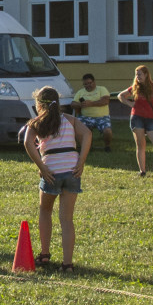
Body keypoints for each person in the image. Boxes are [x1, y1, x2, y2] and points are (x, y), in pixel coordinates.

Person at [22, 85, 91, 271]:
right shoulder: (69, 120)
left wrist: (41, 166)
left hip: (51, 171)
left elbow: (27, 142)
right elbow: (88, 134)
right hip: (71, 170)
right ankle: (67, 264)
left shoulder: (36, 123)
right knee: (67, 219)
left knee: (45, 211)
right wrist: (81, 161)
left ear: (39, 104)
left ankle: (45, 255)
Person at [117, 66, 153, 177]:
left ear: (146, 75)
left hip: (151, 119)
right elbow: (120, 95)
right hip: (137, 118)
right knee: (140, 144)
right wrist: (130, 104)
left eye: (139, 74)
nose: (137, 77)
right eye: (136, 74)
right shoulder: (134, 87)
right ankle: (142, 171)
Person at [73, 73, 114, 151]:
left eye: (89, 83)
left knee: (107, 131)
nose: (88, 85)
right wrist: (80, 104)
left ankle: (107, 146)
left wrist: (91, 103)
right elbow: (73, 103)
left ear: (94, 82)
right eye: (85, 84)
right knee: (76, 128)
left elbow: (105, 101)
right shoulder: (80, 92)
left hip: (102, 117)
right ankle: (84, 146)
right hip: (85, 117)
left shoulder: (102, 89)